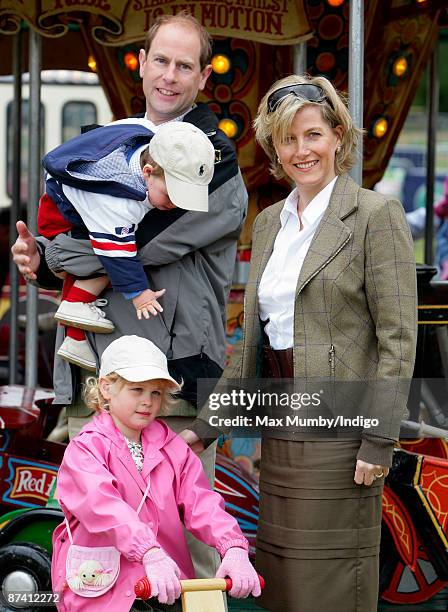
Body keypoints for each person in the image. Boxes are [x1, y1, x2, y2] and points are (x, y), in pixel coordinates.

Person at [12, 11, 247, 581]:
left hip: (170, 383)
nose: (170, 75)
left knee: (188, 553)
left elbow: (137, 246)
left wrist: (58, 252)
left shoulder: (209, 158)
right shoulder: (121, 145)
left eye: (184, 65)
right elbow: (89, 239)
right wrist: (40, 263)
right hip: (98, 377)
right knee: (93, 554)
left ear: (201, 78)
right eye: (160, 60)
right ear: (141, 66)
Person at [224, 75, 417, 611]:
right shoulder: (268, 224)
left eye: (312, 135)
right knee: (282, 580)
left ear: (337, 136)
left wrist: (378, 440)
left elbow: (398, 339)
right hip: (281, 425)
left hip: (343, 432)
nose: (300, 150)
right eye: (288, 139)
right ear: (274, 148)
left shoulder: (376, 217)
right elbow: (252, 343)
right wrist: (203, 427)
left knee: (327, 583)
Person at [52, 335, 260, 612]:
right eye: (137, 390)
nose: (147, 402)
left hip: (163, 586)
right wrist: (148, 551)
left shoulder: (171, 446)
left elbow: (202, 502)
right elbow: (103, 506)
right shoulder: (86, 448)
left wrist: (233, 545)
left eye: (156, 393)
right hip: (103, 585)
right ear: (105, 388)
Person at [39, 120, 215, 371]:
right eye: (171, 194)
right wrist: (139, 295)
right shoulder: (120, 202)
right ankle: (77, 302)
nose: (176, 204)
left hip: (66, 198)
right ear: (146, 172)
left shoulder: (146, 142)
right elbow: (117, 253)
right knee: (126, 254)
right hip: (61, 220)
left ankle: (74, 339)